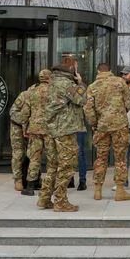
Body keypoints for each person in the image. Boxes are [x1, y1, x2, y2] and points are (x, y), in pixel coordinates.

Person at [39, 57, 86, 212]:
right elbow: (82, 99)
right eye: (76, 68)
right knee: (67, 165)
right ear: (72, 68)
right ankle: (60, 201)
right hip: (64, 130)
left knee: (53, 165)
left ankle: (45, 198)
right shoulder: (66, 84)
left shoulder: (52, 82)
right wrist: (80, 82)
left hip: (51, 130)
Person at [84, 63, 130, 201]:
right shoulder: (120, 82)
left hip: (102, 127)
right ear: (110, 71)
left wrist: (95, 123)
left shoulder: (92, 87)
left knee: (100, 158)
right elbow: (129, 102)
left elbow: (88, 109)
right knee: (120, 158)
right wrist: (120, 113)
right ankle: (120, 190)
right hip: (120, 126)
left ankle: (98, 190)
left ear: (97, 71)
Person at [18, 69, 52, 197]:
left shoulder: (31, 92)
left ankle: (30, 186)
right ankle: (49, 186)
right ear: (49, 78)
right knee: (51, 158)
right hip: (50, 129)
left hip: (35, 129)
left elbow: (25, 113)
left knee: (34, 158)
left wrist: (24, 127)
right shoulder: (53, 91)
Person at [8, 78, 37, 192]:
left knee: (32, 153)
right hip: (17, 126)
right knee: (18, 153)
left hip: (31, 128)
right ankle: (18, 179)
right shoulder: (24, 95)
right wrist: (24, 124)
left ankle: (32, 179)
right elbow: (13, 112)